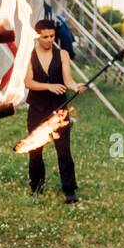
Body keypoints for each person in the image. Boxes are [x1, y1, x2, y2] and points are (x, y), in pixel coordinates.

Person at [24, 17, 85, 203]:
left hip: (58, 108)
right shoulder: (29, 55)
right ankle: (36, 186)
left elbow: (67, 80)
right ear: (37, 37)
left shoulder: (63, 54)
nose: (50, 40)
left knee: (64, 150)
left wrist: (75, 87)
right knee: (35, 150)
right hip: (37, 108)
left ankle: (69, 190)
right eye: (45, 37)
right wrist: (48, 86)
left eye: (52, 36)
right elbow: (28, 82)